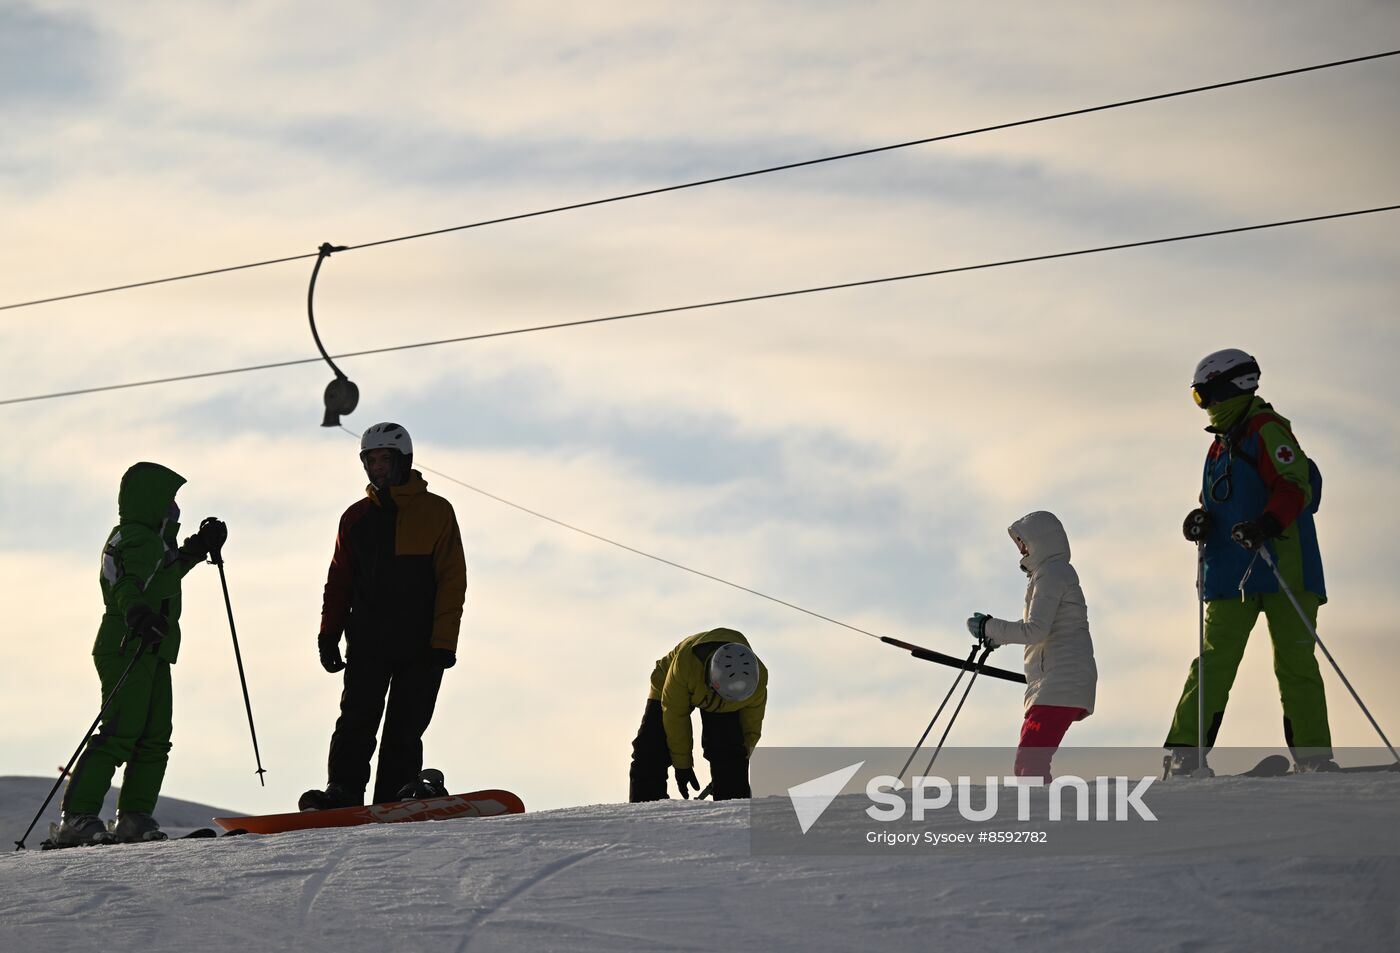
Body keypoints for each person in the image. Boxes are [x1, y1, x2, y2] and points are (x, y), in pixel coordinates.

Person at [1164, 349, 1332, 775]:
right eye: (1199, 399)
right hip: (1230, 571)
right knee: (1214, 660)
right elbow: (1217, 501)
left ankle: (1313, 757)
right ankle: (1185, 753)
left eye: (1207, 396)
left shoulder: (1266, 429)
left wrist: (1266, 524)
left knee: (1295, 663)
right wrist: (1200, 519)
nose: (1208, 406)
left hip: (1285, 568)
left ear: (1231, 388)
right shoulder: (1219, 447)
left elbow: (1294, 486)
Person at [53, 463, 227, 846]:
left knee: (154, 735)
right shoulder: (136, 538)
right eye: (170, 499)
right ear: (151, 500)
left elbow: (160, 577)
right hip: (127, 642)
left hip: (151, 644)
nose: (175, 507)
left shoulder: (151, 541)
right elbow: (128, 584)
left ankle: (133, 818)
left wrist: (195, 550)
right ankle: (78, 818)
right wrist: (136, 613)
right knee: (121, 732)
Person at [300, 422, 467, 809]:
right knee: (356, 720)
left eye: (384, 459)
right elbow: (339, 581)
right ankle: (342, 792)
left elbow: (451, 579)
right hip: (369, 640)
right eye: (370, 460)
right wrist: (329, 634)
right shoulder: (355, 518)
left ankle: (395, 797)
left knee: (405, 728)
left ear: (403, 460)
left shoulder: (437, 512)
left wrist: (444, 641)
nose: (377, 467)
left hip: (422, 643)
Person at [967, 511, 1097, 782]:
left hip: (1060, 682)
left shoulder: (1052, 573)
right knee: (1027, 763)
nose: (1022, 550)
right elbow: (1039, 625)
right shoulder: (1051, 574)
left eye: (1023, 542)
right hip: (1057, 682)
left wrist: (989, 627)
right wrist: (997, 635)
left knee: (1030, 762)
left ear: (1042, 541)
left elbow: (1035, 630)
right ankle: (1043, 813)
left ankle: (1044, 817)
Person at [629, 628, 767, 802]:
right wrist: (682, 766)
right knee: (650, 748)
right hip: (672, 683)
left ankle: (733, 806)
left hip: (721, 699)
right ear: (712, 683)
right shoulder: (684, 666)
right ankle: (645, 805)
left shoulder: (758, 681)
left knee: (730, 752)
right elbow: (675, 717)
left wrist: (736, 764)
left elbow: (751, 727)